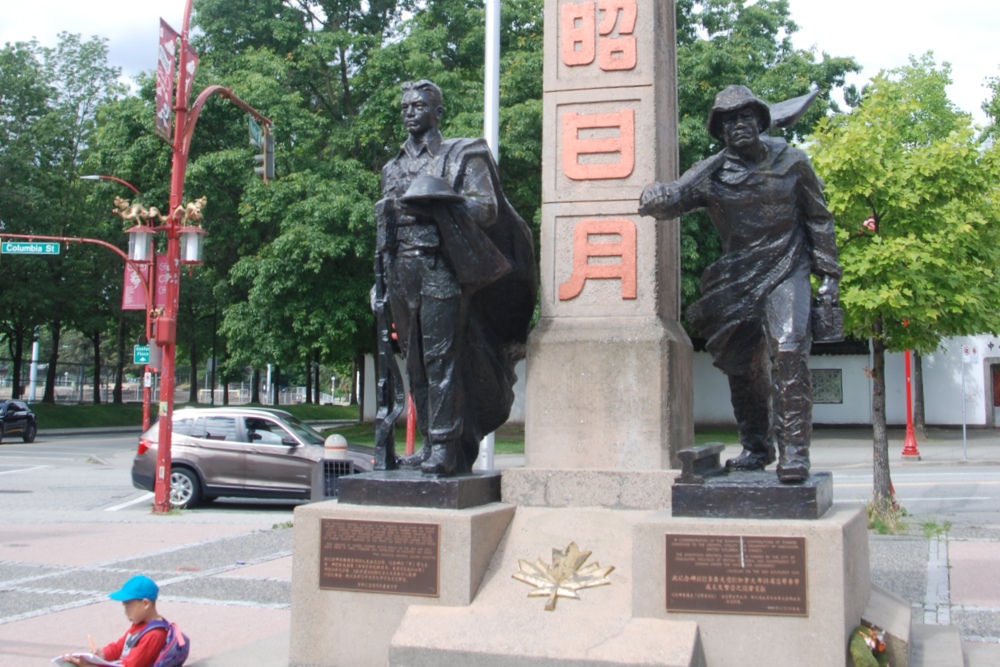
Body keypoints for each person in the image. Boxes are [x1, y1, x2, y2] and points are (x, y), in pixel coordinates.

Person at [638, 84, 842, 483]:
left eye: (746, 116)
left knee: (788, 349)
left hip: (788, 268)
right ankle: (756, 446)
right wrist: (655, 196)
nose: (739, 125)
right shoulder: (713, 174)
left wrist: (829, 275)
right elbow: (672, 202)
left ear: (761, 121)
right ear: (721, 132)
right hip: (737, 278)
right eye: (729, 121)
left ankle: (795, 452)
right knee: (742, 367)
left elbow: (818, 218)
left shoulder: (793, 162)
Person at [375, 79, 535, 476]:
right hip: (400, 271)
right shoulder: (392, 167)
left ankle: (447, 446)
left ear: (437, 112)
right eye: (405, 106)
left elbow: (487, 209)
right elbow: (386, 230)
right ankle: (430, 442)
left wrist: (441, 204)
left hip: (442, 266)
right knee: (414, 363)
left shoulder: (462, 155)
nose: (410, 112)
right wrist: (380, 280)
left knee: (442, 357)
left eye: (419, 105)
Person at [61, 575, 167, 666]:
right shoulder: (141, 624)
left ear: (145, 604)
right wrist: (103, 655)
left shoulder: (154, 635)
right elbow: (119, 647)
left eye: (128, 607)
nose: (126, 612)